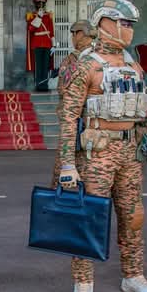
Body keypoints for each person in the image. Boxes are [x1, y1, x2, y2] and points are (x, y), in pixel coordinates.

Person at [57, 0, 147, 292]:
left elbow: (144, 111)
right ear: (104, 24)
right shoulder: (87, 65)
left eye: (131, 25)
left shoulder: (133, 65)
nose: (129, 30)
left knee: (133, 217)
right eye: (124, 23)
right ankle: (84, 281)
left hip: (130, 152)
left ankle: (133, 275)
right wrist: (67, 163)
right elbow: (68, 116)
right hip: (97, 152)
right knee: (89, 217)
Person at [51, 19, 96, 186]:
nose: (72, 38)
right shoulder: (102, 57)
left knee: (62, 175)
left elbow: (63, 88)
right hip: (98, 129)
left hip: (77, 124)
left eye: (74, 34)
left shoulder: (75, 60)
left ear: (81, 35)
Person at [26, 0, 55, 91]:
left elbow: (51, 31)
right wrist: (38, 17)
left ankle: (44, 84)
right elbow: (31, 29)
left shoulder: (48, 16)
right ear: (36, 5)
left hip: (47, 44)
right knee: (38, 66)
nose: (41, 5)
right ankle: (38, 85)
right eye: (39, 3)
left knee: (45, 66)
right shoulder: (31, 16)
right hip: (37, 44)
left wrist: (53, 44)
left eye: (43, 3)